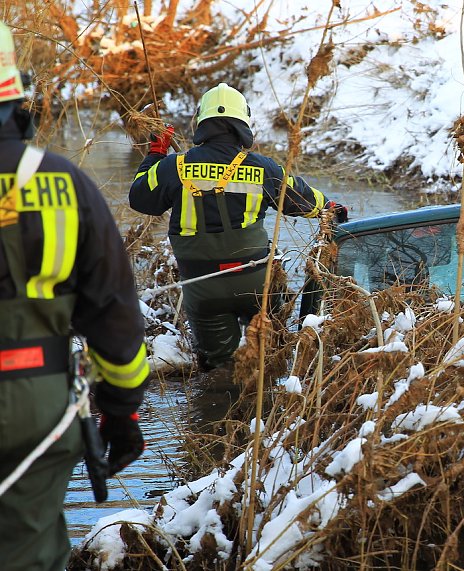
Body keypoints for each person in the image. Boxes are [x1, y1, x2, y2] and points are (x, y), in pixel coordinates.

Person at [0, 22, 149, 570]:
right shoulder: (69, 187)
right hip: (39, 403)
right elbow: (115, 319)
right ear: (17, 97)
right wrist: (122, 411)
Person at [129, 83, 347, 371]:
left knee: (220, 369)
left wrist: (155, 154)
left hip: (202, 286)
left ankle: (217, 403)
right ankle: (273, 402)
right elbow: (304, 201)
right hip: (255, 282)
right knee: (269, 358)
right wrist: (330, 208)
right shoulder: (264, 168)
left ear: (201, 122)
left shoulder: (173, 166)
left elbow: (140, 198)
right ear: (242, 124)